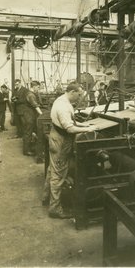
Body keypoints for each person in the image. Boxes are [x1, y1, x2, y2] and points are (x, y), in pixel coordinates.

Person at [42, 82, 98, 219]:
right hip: (61, 141)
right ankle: (55, 209)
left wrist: (82, 124)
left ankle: (45, 197)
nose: (79, 98)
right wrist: (87, 129)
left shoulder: (61, 100)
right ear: (72, 92)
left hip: (56, 136)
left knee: (52, 169)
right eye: (78, 95)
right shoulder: (63, 107)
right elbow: (69, 129)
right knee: (59, 175)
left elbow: (70, 123)